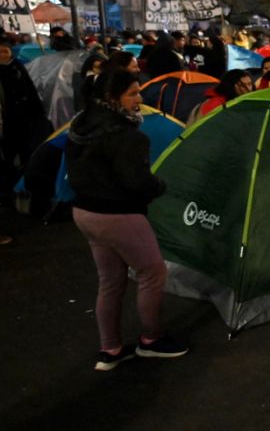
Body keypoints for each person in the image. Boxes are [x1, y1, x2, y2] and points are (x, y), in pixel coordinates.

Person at [66, 68, 189, 370]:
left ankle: (110, 349)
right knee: (152, 273)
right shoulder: (127, 136)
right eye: (133, 93)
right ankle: (152, 340)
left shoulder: (81, 125)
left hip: (84, 213)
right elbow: (137, 182)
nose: (140, 98)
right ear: (112, 98)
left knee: (110, 281)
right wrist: (160, 185)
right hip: (117, 215)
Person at [0, 41, 48, 191]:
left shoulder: (17, 67)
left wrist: (38, 112)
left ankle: (26, 180)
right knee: (7, 150)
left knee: (25, 147)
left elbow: (30, 90)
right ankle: (9, 181)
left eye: (5, 51)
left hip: (23, 116)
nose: (2, 55)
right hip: (5, 117)